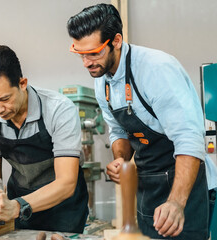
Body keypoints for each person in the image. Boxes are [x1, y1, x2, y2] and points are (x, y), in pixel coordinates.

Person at [67, 3, 216, 239]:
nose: (87, 62)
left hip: (183, 189)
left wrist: (176, 203)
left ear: (116, 41)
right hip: (148, 187)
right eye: (80, 54)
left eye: (94, 53)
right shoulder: (101, 79)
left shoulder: (156, 69)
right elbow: (118, 130)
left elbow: (189, 138)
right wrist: (120, 159)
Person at [0, 45, 88, 233]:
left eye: (4, 99)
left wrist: (16, 206)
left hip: (64, 210)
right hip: (19, 205)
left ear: (22, 83)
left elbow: (66, 183)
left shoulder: (59, 110)